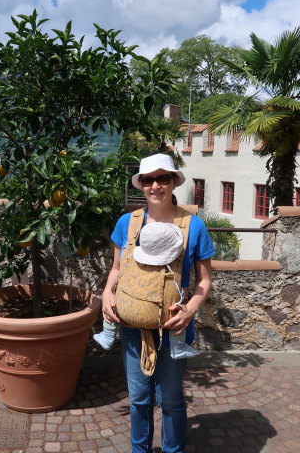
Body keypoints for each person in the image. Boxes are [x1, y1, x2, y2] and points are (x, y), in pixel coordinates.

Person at [101, 153, 215, 453]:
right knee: (139, 398)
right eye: (149, 180)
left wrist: (189, 311)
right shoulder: (128, 223)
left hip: (174, 328)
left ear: (173, 182)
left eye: (162, 178)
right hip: (131, 328)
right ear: (141, 185)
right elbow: (116, 268)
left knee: (171, 400)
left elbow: (204, 281)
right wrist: (107, 293)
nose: (155, 186)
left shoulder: (193, 226)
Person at [93, 221, 199, 360]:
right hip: (162, 319)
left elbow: (116, 270)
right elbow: (179, 292)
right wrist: (184, 295)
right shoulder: (171, 272)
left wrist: (108, 291)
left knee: (116, 301)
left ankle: (108, 335)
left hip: (126, 314)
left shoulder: (132, 263)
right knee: (177, 309)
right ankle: (177, 347)